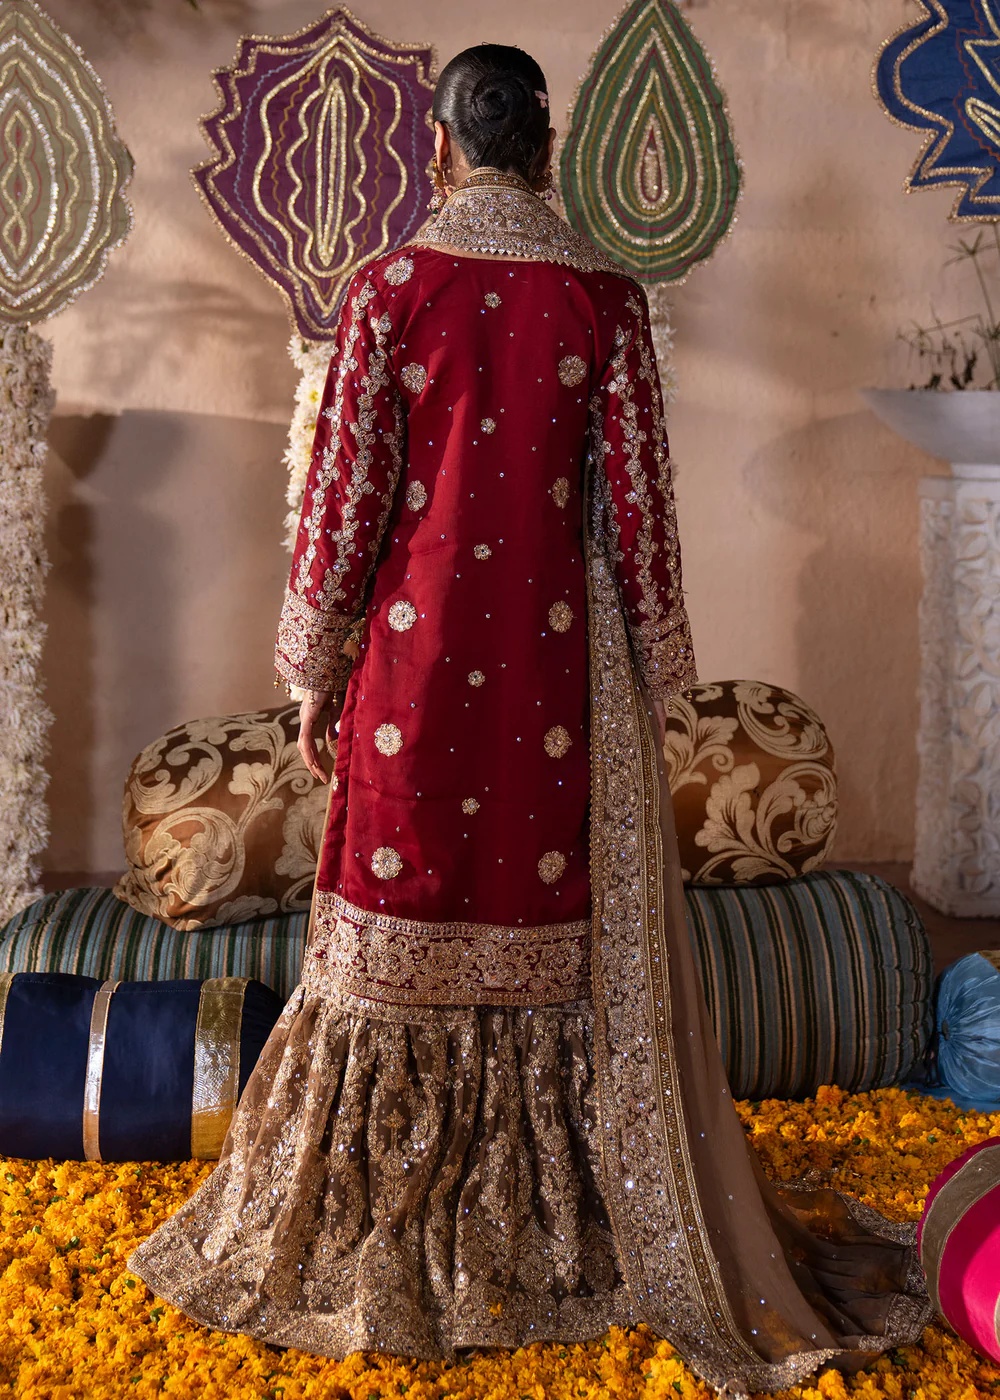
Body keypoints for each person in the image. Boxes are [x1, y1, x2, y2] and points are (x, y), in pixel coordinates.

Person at [129, 43, 932, 1395]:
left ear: (438, 148)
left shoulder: (388, 291)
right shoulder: (603, 299)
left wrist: (314, 668)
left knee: (396, 920)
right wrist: (657, 682)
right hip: (558, 675)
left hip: (413, 664)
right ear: (547, 151)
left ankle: (381, 1222)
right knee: (541, 917)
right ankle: (563, 1224)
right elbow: (641, 510)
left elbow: (344, 501)